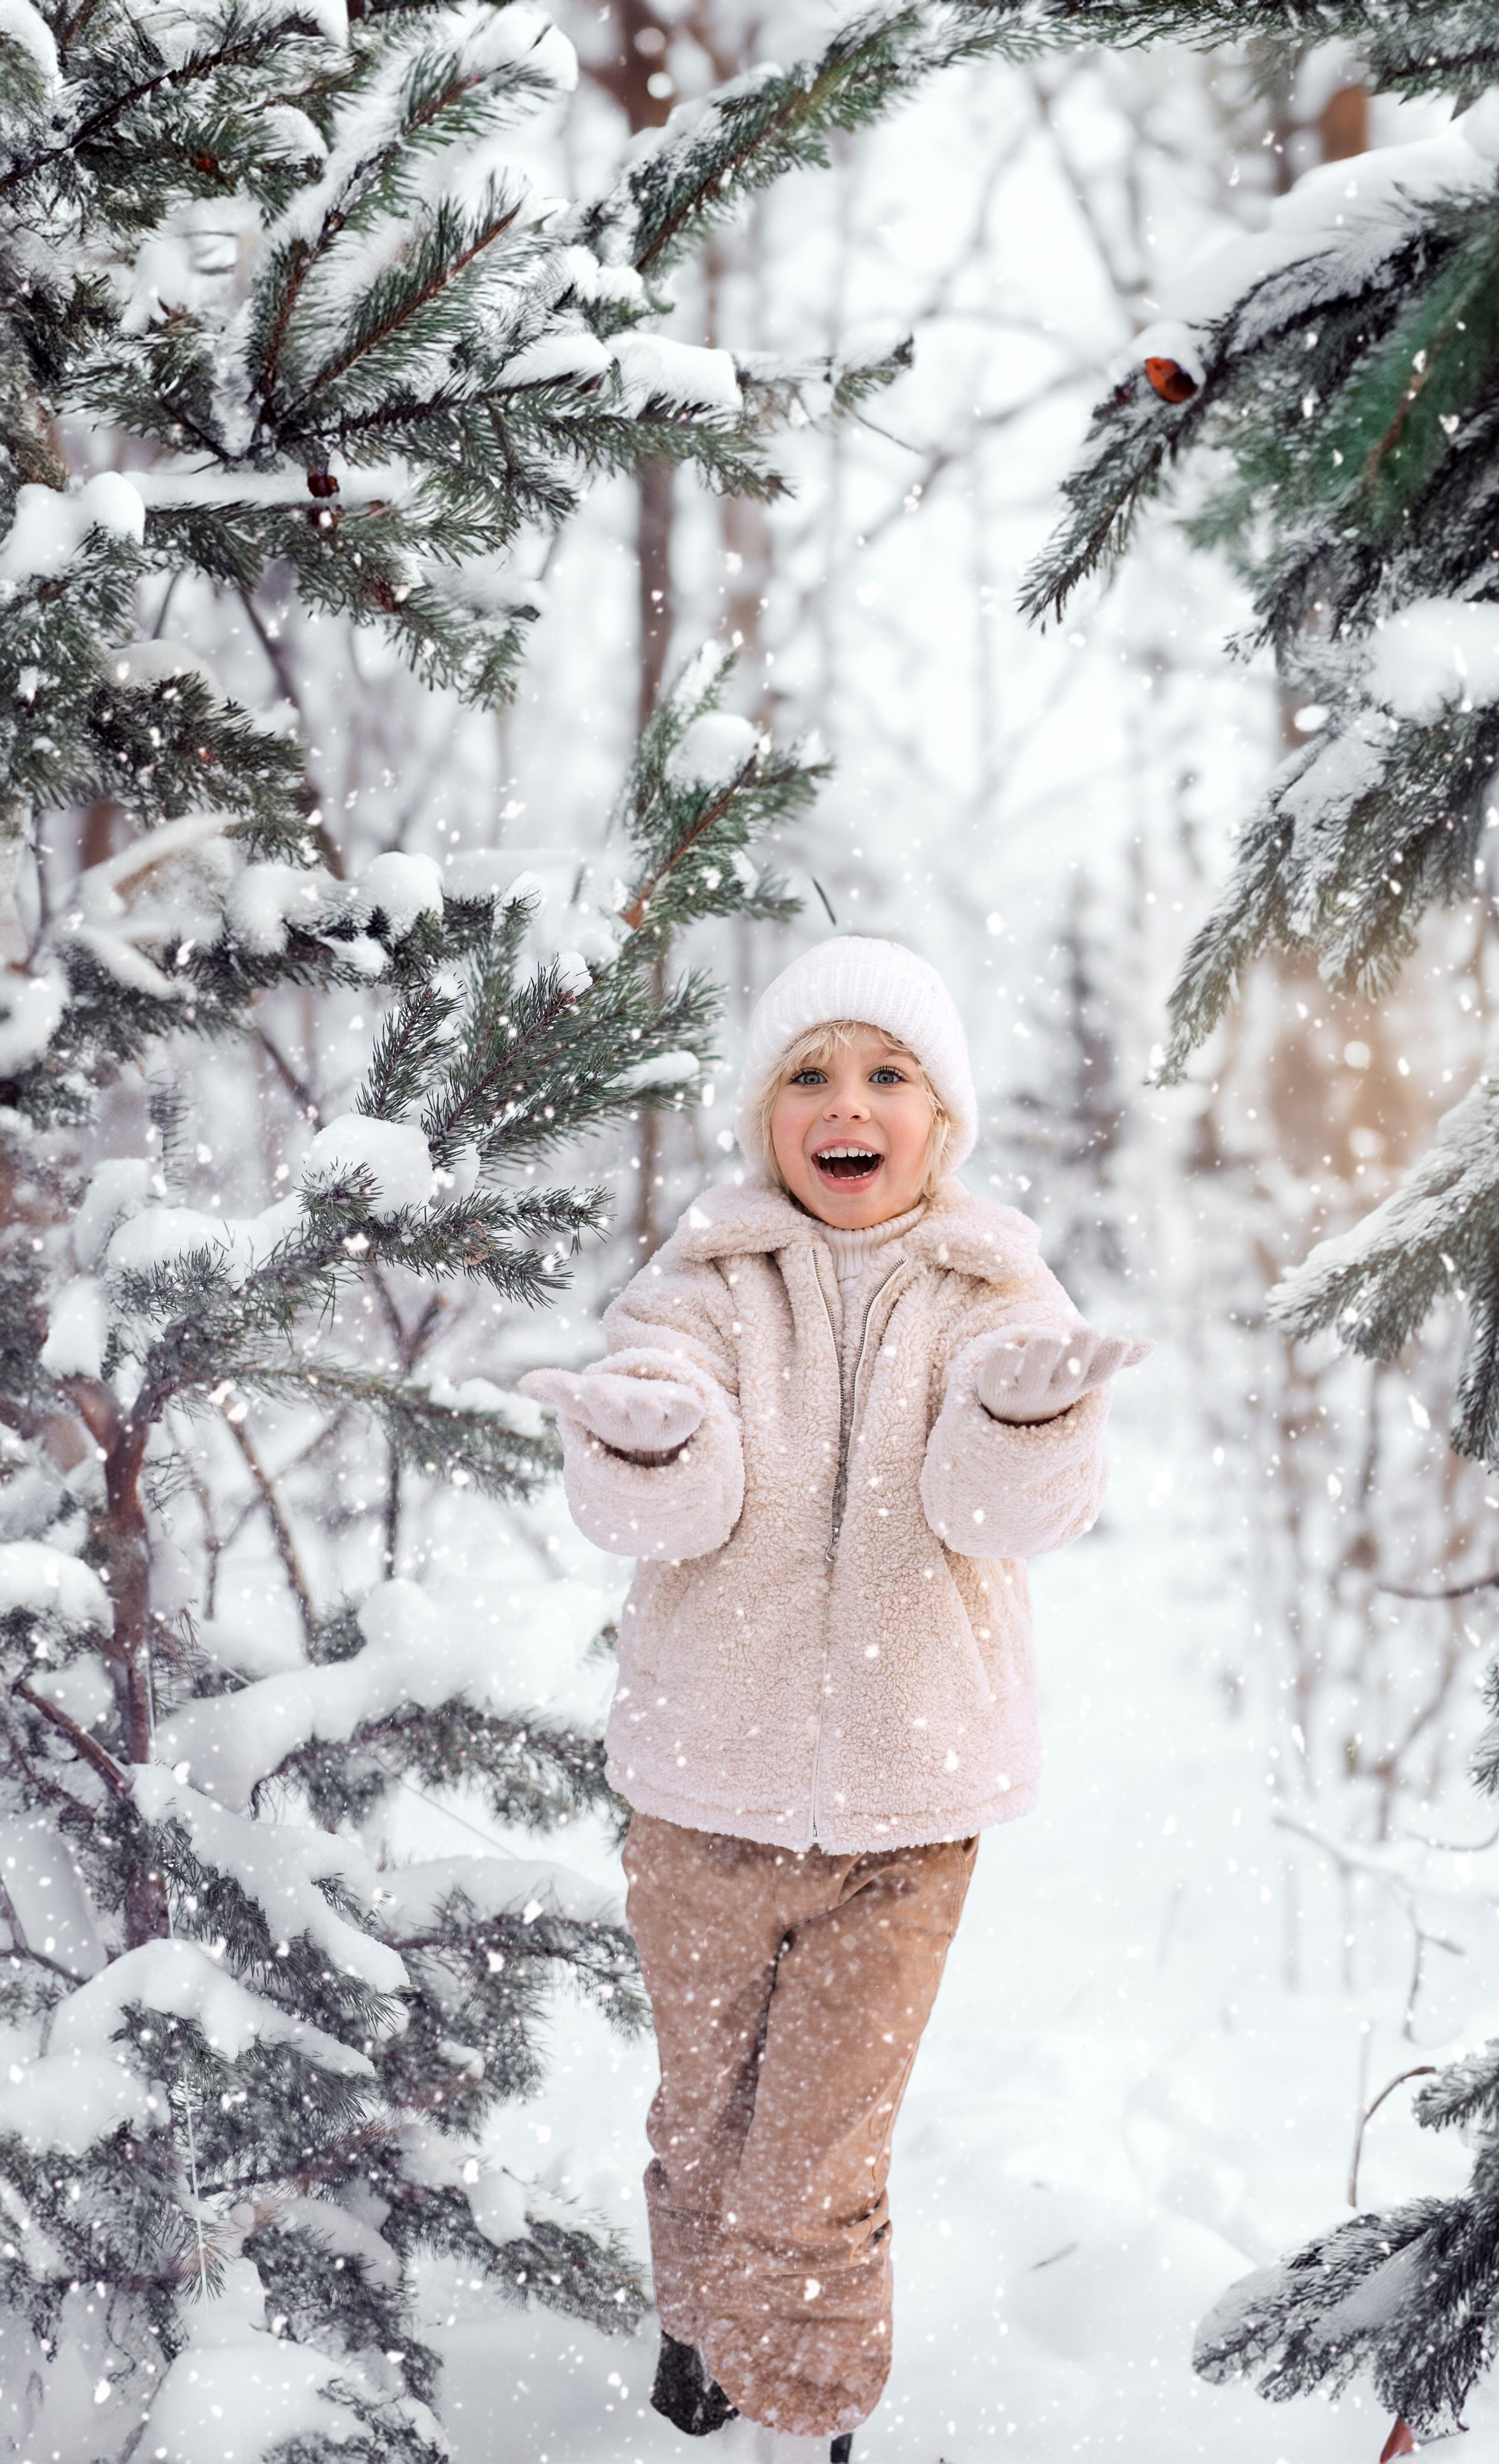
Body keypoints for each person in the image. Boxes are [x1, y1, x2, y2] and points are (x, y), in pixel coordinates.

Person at [522, 937, 1148, 2461]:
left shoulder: (990, 1281)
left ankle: (798, 2425)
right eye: (807, 1072)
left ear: (941, 1120)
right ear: (763, 1115)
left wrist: (1024, 1412)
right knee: (704, 2125)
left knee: (814, 2158)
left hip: (904, 1817)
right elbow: (669, 1505)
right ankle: (699, 2362)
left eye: (885, 1074)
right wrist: (651, 1433)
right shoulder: (704, 1282)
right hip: (699, 1798)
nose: (844, 1102)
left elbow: (1001, 1511)